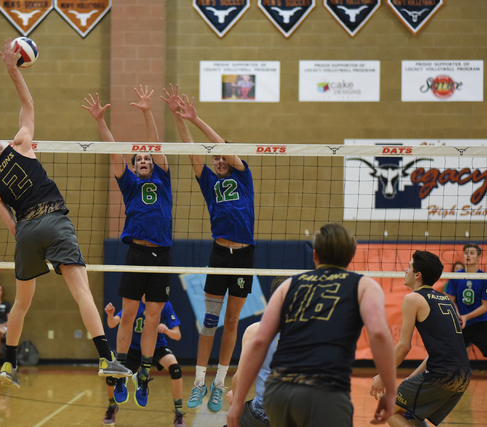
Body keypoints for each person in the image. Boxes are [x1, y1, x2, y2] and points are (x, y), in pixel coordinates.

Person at [0, 38, 130, 388]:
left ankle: (8, 365)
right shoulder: (20, 142)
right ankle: (105, 359)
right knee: (81, 289)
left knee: (21, 304)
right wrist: (11, 69)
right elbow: (28, 102)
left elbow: (10, 227)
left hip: (25, 232)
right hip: (53, 220)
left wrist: (28, 235)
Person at [226, 223, 397, 427]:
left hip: (280, 397)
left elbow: (259, 341)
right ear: (351, 256)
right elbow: (378, 333)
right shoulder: (364, 285)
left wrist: (237, 404)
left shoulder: (289, 286)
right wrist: (391, 391)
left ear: (315, 255)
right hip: (326, 395)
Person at [162, 85, 255, 413]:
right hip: (218, 255)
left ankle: (219, 384)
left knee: (232, 322)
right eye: (214, 156)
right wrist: (179, 118)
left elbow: (222, 148)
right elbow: (190, 149)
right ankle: (199, 382)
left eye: (222, 155)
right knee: (210, 321)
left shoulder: (244, 177)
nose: (217, 160)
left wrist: (197, 118)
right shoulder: (208, 181)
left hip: (244, 257)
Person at [83, 87, 172, 407]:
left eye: (148, 157)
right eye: (140, 159)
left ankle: (144, 375)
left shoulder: (163, 179)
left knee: (153, 317)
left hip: (162, 255)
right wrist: (100, 123)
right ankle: (121, 372)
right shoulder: (130, 184)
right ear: (134, 167)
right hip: (136, 253)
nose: (144, 160)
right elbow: (114, 153)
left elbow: (157, 144)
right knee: (129, 313)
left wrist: (148, 112)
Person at [371, 250, 472, 426]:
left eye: (409, 267)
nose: (405, 270)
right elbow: (441, 350)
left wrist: (382, 376)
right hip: (463, 375)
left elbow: (403, 346)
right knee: (410, 415)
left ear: (417, 275)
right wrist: (411, 378)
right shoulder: (444, 299)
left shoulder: (413, 299)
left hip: (441, 374)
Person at [103, 297, 186, 427]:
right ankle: (112, 407)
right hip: (134, 349)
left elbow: (177, 335)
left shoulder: (164, 304)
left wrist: (166, 330)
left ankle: (179, 414)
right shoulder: (134, 302)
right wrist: (110, 315)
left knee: (175, 369)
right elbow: (112, 324)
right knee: (111, 375)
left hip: (157, 346)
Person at [224, 277, 286, 427]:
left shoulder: (254, 330)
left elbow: (239, 376)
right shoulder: (310, 331)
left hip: (263, 412)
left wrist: (236, 397)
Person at [445, 243, 487, 357]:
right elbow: (451, 300)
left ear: (479, 257)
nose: (468, 255)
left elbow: (485, 306)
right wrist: (458, 315)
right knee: (454, 355)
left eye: (472, 253)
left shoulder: (484, 278)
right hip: (461, 323)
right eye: (466, 253)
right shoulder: (456, 276)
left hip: (480, 323)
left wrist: (466, 317)